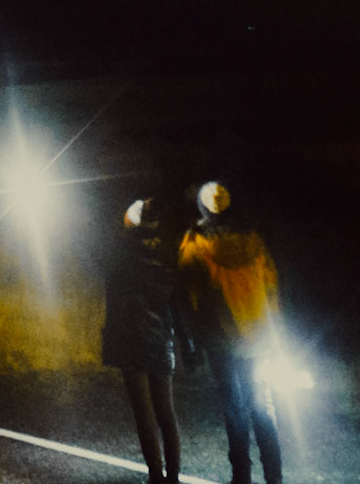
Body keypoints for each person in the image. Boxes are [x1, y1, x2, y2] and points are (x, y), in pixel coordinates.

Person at [177, 181, 283, 484]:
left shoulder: (195, 244)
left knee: (234, 409)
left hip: (221, 340)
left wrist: (191, 339)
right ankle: (274, 476)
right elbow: (271, 286)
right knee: (262, 407)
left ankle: (241, 476)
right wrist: (275, 331)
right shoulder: (253, 240)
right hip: (259, 339)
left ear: (202, 208)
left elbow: (186, 295)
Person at [103, 196, 185, 484]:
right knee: (166, 412)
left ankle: (156, 475)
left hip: (132, 339)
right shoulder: (166, 255)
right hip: (161, 338)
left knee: (144, 413)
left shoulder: (121, 256)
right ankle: (173, 476)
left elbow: (115, 299)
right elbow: (175, 301)